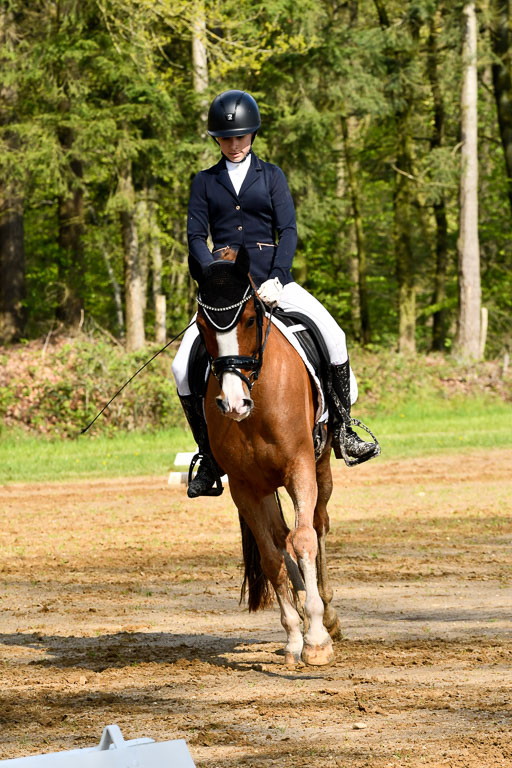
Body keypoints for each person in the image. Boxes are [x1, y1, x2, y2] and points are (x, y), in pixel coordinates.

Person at [172, 90, 379, 497]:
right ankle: (209, 455)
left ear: (253, 135)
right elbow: (196, 235)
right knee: (182, 365)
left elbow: (289, 230)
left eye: (242, 137)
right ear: (217, 140)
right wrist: (215, 274)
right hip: (227, 292)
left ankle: (344, 429)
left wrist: (279, 277)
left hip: (272, 281)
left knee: (334, 336)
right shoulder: (204, 182)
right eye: (227, 138)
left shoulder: (272, 176)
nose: (235, 144)